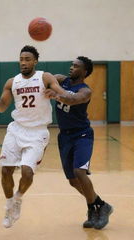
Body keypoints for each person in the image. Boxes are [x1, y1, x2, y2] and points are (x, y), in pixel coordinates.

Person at [0, 45, 70, 228]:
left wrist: (57, 95)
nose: (23, 62)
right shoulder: (12, 82)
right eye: (21, 59)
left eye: (28, 59)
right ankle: (9, 204)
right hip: (16, 129)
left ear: (35, 61)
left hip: (37, 132)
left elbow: (65, 96)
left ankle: (18, 198)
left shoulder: (45, 77)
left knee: (27, 173)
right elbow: (2, 106)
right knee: (6, 171)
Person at [45, 56, 113, 229]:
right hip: (64, 137)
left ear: (84, 72)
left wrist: (57, 95)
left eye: (76, 66)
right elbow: (45, 78)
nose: (72, 67)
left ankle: (92, 208)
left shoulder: (85, 91)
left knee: (80, 172)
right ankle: (101, 205)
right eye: (72, 65)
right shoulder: (61, 80)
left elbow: (73, 100)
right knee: (73, 181)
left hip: (82, 135)